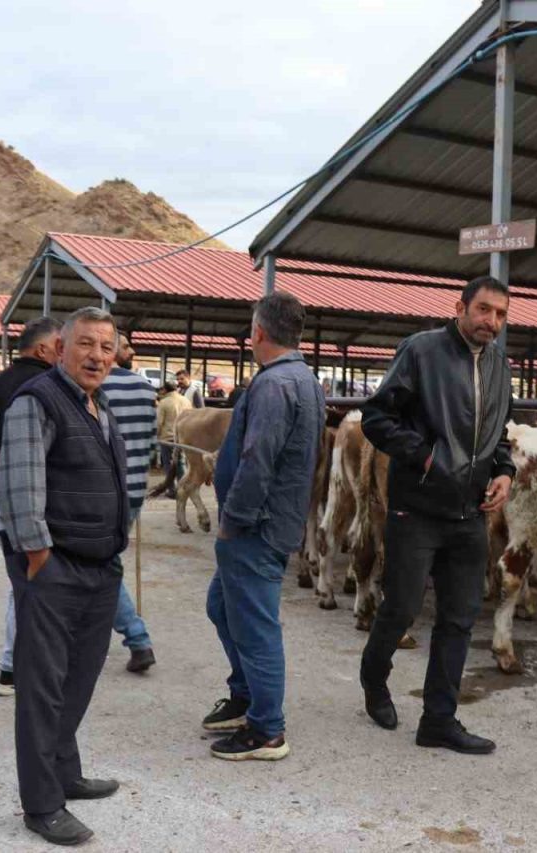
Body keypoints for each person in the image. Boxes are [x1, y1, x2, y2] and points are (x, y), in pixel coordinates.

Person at [357, 275, 516, 755]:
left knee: (460, 617)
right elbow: (376, 417)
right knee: (402, 606)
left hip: (470, 513)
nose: (492, 322)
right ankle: (373, 679)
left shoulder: (500, 366)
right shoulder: (421, 351)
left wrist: (504, 471)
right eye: (484, 310)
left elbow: (498, 433)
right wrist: (425, 457)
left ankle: (438, 720)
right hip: (418, 508)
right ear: (461, 307)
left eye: (501, 315)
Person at [0, 306, 127, 846]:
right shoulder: (37, 400)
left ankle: (65, 771)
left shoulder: (98, 405)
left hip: (100, 567)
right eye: (85, 344)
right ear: (60, 348)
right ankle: (42, 804)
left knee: (79, 679)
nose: (97, 355)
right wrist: (38, 556)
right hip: (56, 568)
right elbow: (21, 485)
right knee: (44, 688)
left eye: (106, 346)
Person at [201, 291, 325, 761]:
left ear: (257, 333)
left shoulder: (273, 386)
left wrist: (233, 520)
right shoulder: (302, 379)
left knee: (255, 625)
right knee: (222, 606)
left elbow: (259, 460)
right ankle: (246, 693)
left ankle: (267, 728)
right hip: (271, 521)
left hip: (255, 527)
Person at [0, 316, 63, 698]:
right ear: (43, 349)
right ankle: (12, 668)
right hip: (31, 499)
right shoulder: (45, 386)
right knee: (30, 581)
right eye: (61, 345)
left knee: (24, 578)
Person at [99, 337, 158, 673]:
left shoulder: (94, 386)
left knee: (102, 565)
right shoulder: (145, 388)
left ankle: (138, 639)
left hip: (103, 491)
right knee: (107, 560)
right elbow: (150, 446)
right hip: (134, 489)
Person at [155, 380, 191, 499]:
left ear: (165, 390)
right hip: (184, 437)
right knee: (181, 462)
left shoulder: (164, 402)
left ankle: (172, 490)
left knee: (168, 464)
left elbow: (159, 423)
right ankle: (184, 489)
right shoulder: (186, 400)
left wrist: (157, 436)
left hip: (168, 438)